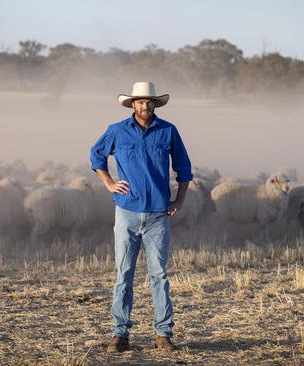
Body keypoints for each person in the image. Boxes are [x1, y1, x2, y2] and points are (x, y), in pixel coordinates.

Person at [89, 81, 192, 353]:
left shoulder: (168, 131)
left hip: (158, 213)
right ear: (132, 104)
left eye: (149, 102)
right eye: (140, 101)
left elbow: (184, 167)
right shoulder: (117, 131)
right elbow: (96, 156)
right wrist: (109, 182)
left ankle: (163, 334)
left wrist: (179, 199)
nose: (145, 105)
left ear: (155, 104)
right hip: (126, 212)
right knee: (124, 273)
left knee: (159, 274)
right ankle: (120, 335)